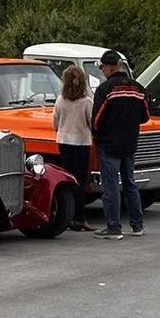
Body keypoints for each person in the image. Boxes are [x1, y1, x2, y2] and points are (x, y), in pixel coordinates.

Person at [91, 50, 149, 239]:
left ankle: (114, 228)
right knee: (130, 184)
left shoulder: (106, 89)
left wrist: (97, 137)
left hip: (109, 144)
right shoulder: (138, 88)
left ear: (109, 67)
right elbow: (145, 117)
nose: (102, 71)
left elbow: (96, 120)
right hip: (130, 143)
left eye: (103, 67)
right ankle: (137, 225)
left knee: (111, 187)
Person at [53, 66, 96, 231]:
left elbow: (55, 124)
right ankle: (80, 217)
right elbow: (91, 123)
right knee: (80, 181)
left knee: (67, 179)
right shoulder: (86, 102)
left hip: (63, 141)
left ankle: (68, 216)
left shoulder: (60, 100)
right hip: (81, 143)